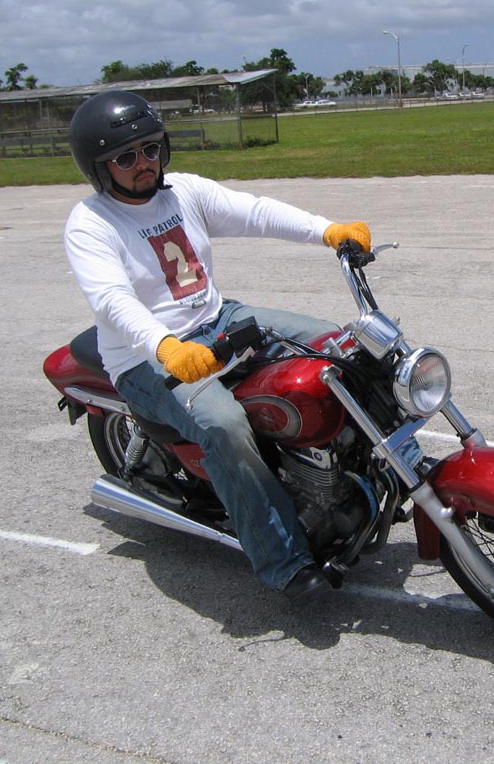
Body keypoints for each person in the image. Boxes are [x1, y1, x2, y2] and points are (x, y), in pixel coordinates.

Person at [64, 90, 370, 605]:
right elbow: (113, 300)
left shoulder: (182, 191)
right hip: (145, 358)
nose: (144, 163)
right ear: (99, 168)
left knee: (335, 343)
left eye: (150, 148)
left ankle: (385, 466)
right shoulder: (91, 223)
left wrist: (327, 231)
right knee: (224, 425)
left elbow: (255, 212)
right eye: (126, 157)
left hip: (218, 319)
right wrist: (165, 347)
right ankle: (284, 562)